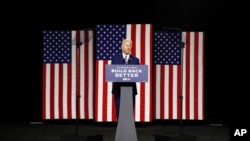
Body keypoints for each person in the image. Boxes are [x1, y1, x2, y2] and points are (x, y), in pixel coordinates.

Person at [111, 39, 140, 120]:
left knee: (129, 113)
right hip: (118, 90)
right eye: (126, 45)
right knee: (119, 112)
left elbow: (139, 74)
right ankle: (120, 131)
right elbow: (112, 72)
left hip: (130, 90)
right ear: (122, 47)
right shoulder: (115, 58)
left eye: (130, 46)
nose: (128, 47)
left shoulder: (135, 60)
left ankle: (129, 131)